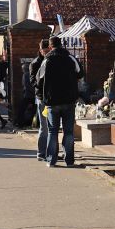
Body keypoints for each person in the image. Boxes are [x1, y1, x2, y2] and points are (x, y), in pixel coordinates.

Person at [38, 37, 83, 167]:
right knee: (68, 132)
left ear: (51, 47)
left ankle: (51, 160)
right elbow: (80, 73)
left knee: (53, 131)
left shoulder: (47, 60)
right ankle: (69, 160)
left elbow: (39, 79)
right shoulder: (70, 57)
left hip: (52, 101)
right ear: (61, 45)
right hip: (69, 100)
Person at [32, 39, 53, 161]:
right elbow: (33, 82)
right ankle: (41, 153)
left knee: (52, 127)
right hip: (42, 99)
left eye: (48, 50)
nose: (46, 52)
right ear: (40, 51)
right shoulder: (36, 63)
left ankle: (51, 152)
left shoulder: (52, 61)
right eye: (44, 50)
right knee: (44, 127)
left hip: (52, 98)